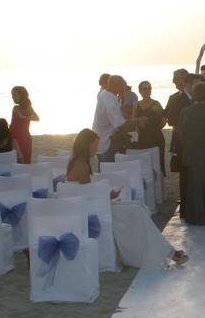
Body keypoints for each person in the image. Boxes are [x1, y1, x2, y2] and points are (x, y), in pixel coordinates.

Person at [66, 128, 186, 266]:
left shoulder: (77, 161)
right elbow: (90, 197)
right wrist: (109, 195)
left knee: (137, 207)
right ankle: (168, 253)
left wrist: (107, 195)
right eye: (95, 145)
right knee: (137, 211)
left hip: (91, 207)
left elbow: (87, 193)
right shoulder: (82, 165)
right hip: (93, 211)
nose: (97, 148)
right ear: (87, 145)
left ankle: (165, 252)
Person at [177, 81, 205, 225]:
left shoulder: (185, 112)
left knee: (194, 184)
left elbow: (181, 134)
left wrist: (187, 147)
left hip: (191, 151)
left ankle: (196, 216)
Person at [129, 81, 167, 174]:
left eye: (149, 88)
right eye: (144, 88)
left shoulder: (156, 104)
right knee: (145, 164)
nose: (147, 90)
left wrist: (150, 123)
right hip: (142, 138)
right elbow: (133, 121)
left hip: (156, 137)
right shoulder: (136, 104)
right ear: (140, 91)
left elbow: (163, 121)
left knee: (157, 165)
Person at [92, 74, 129, 162]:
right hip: (105, 143)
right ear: (116, 86)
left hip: (101, 140)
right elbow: (120, 124)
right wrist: (138, 121)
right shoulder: (109, 99)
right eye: (123, 86)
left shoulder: (106, 94)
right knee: (108, 167)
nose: (125, 89)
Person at [10, 85, 39, 164]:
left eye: (14, 95)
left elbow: (37, 118)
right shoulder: (17, 108)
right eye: (12, 95)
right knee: (18, 161)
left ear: (21, 95)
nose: (12, 97)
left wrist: (25, 117)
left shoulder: (24, 108)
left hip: (23, 138)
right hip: (16, 137)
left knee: (24, 161)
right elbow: (12, 124)